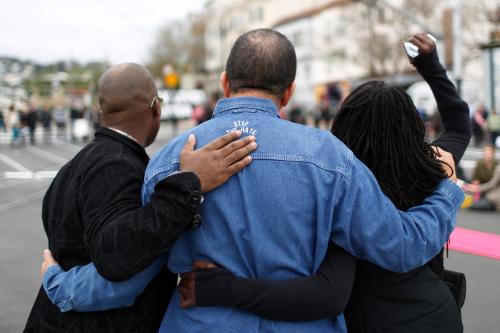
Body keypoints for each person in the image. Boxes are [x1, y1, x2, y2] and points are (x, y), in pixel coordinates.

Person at [38, 30, 463, 333]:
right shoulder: (330, 157)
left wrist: (60, 283)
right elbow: (400, 245)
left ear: (226, 82)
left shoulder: (172, 158)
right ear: (290, 92)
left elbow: (131, 273)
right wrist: (448, 192)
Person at [177, 33, 470, 333]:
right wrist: (430, 65)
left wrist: (224, 289)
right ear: (412, 125)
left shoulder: (340, 187)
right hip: (439, 315)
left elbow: (328, 293)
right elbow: (459, 123)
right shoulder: (434, 168)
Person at [24, 63, 256, 333]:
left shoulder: (75, 166)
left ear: (101, 110)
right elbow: (117, 258)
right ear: (156, 108)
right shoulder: (115, 165)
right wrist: (189, 182)